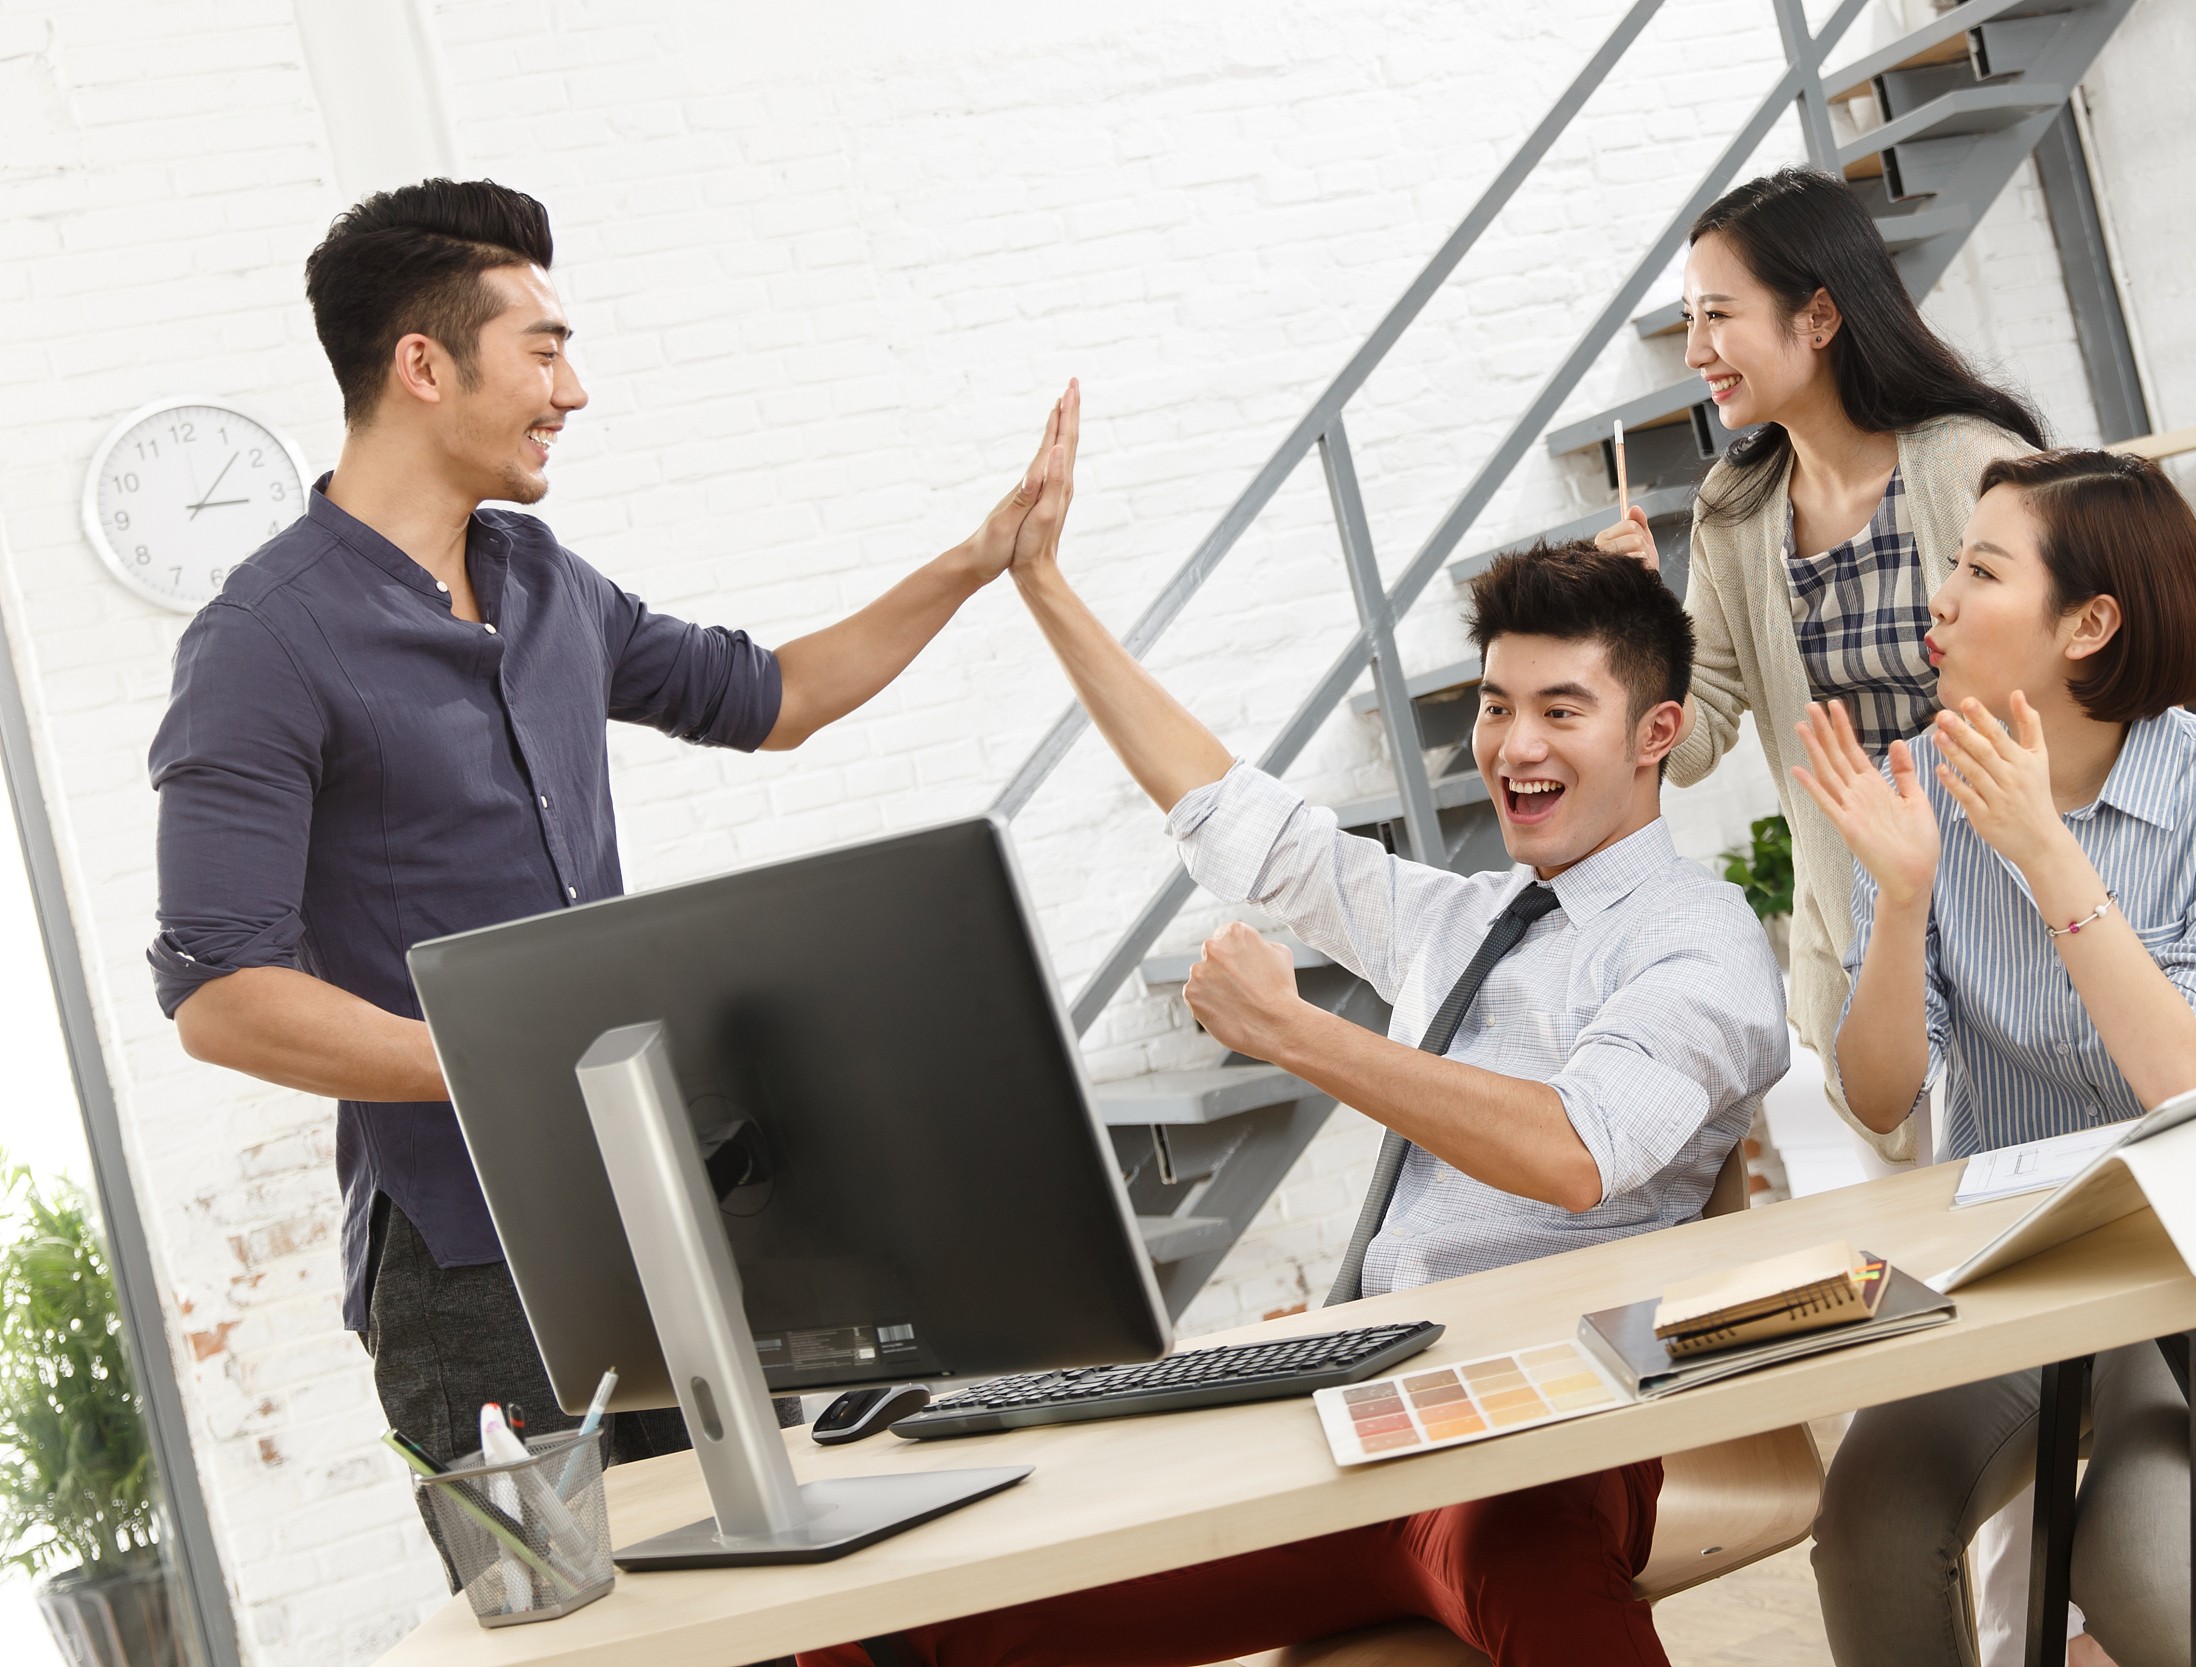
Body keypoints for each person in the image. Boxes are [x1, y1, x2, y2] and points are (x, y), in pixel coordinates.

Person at [802, 386, 1788, 1667]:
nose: (1512, 745)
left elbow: (1575, 1151)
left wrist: (1297, 1033)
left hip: (1542, 1428)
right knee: (883, 1623)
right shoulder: (1461, 915)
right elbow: (1231, 813)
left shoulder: (1695, 938)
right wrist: (1040, 585)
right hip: (1365, 1418)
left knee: (1539, 1581)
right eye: (1495, 704)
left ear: (1657, 733)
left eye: (1559, 709)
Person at [148, 180, 1059, 1512]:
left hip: (666, 1206)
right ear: (423, 366)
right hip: (469, 1261)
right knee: (592, 1615)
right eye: (543, 349)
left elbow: (776, 696)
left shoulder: (544, 581)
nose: (570, 390)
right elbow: (223, 996)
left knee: (787, 1566)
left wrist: (979, 560)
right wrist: (515, 1069)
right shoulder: (260, 643)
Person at [1793, 449, 2196, 1666]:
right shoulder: (1921, 788)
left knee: (2136, 1563)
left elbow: (2179, 1075)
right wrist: (1903, 899)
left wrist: (2042, 849)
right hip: (2020, 1268)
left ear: (2088, 623)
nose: (1939, 595)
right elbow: (1880, 1094)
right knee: (1866, 1532)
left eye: (1981, 570)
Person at [1594, 166, 2045, 1162]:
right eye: (1688, 320)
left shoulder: (1971, 464)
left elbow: (2073, 687)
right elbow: (1691, 742)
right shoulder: (1734, 511)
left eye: (1718, 315)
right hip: (1864, 946)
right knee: (1933, 1236)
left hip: (2022, 918)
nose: (1696, 350)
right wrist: (1635, 623)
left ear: (1820, 316)